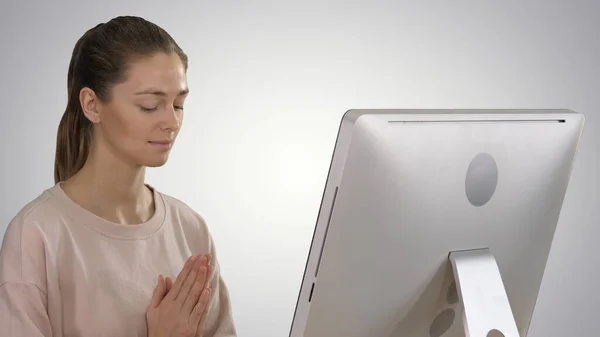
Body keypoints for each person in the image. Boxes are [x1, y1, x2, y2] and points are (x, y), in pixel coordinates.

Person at [0, 16, 237, 337]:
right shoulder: (37, 236)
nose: (171, 122)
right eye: (151, 105)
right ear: (92, 105)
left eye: (178, 104)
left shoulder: (190, 230)